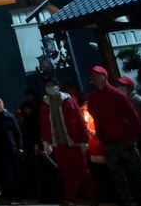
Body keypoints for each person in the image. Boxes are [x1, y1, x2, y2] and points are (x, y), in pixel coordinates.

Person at [86, 65, 141, 206]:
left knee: (138, 173)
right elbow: (96, 118)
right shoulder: (94, 98)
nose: (94, 78)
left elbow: (133, 116)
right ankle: (128, 202)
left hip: (125, 140)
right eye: (92, 75)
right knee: (118, 176)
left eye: (97, 75)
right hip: (109, 142)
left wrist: (133, 135)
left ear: (104, 76)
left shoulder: (117, 95)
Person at [38, 75, 97, 206]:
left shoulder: (68, 101)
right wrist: (46, 142)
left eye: (52, 85)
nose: (50, 88)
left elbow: (80, 120)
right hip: (58, 143)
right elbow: (44, 123)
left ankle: (93, 198)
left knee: (83, 171)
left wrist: (84, 139)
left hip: (73, 142)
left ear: (58, 86)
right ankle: (70, 198)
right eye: (47, 86)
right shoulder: (45, 104)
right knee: (66, 173)